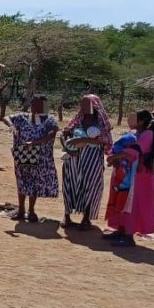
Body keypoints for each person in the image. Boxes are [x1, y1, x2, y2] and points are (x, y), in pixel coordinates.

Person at [104, 110, 154, 246]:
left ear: (141, 121)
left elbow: (135, 150)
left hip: (138, 175)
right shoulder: (133, 133)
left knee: (132, 203)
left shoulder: (148, 134)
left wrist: (114, 157)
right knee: (122, 200)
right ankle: (121, 230)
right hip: (126, 174)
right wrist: (114, 157)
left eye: (134, 118)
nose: (130, 120)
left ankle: (129, 235)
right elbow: (120, 147)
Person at [2, 95, 59, 222]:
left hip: (39, 157)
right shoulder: (22, 117)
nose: (36, 107)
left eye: (39, 105)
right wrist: (12, 126)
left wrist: (34, 143)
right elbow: (6, 118)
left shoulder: (49, 120)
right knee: (21, 180)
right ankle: (21, 210)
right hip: (22, 153)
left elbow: (52, 133)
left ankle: (31, 210)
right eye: (34, 104)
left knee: (34, 182)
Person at [60, 95, 112, 230]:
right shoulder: (78, 119)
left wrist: (83, 140)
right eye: (82, 103)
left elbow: (106, 140)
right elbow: (64, 133)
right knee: (69, 184)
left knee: (90, 186)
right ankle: (66, 215)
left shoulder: (101, 122)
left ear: (95, 105)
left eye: (87, 103)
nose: (83, 106)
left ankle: (86, 218)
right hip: (74, 158)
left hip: (92, 158)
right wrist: (68, 148)